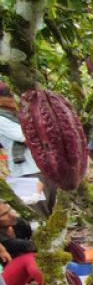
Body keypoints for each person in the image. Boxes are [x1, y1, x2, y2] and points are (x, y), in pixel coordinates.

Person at [0, 82, 55, 217]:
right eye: (9, 96)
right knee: (36, 217)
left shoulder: (19, 115)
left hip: (44, 169)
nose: (13, 99)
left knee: (50, 214)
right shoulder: (1, 118)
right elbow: (27, 137)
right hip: (27, 174)